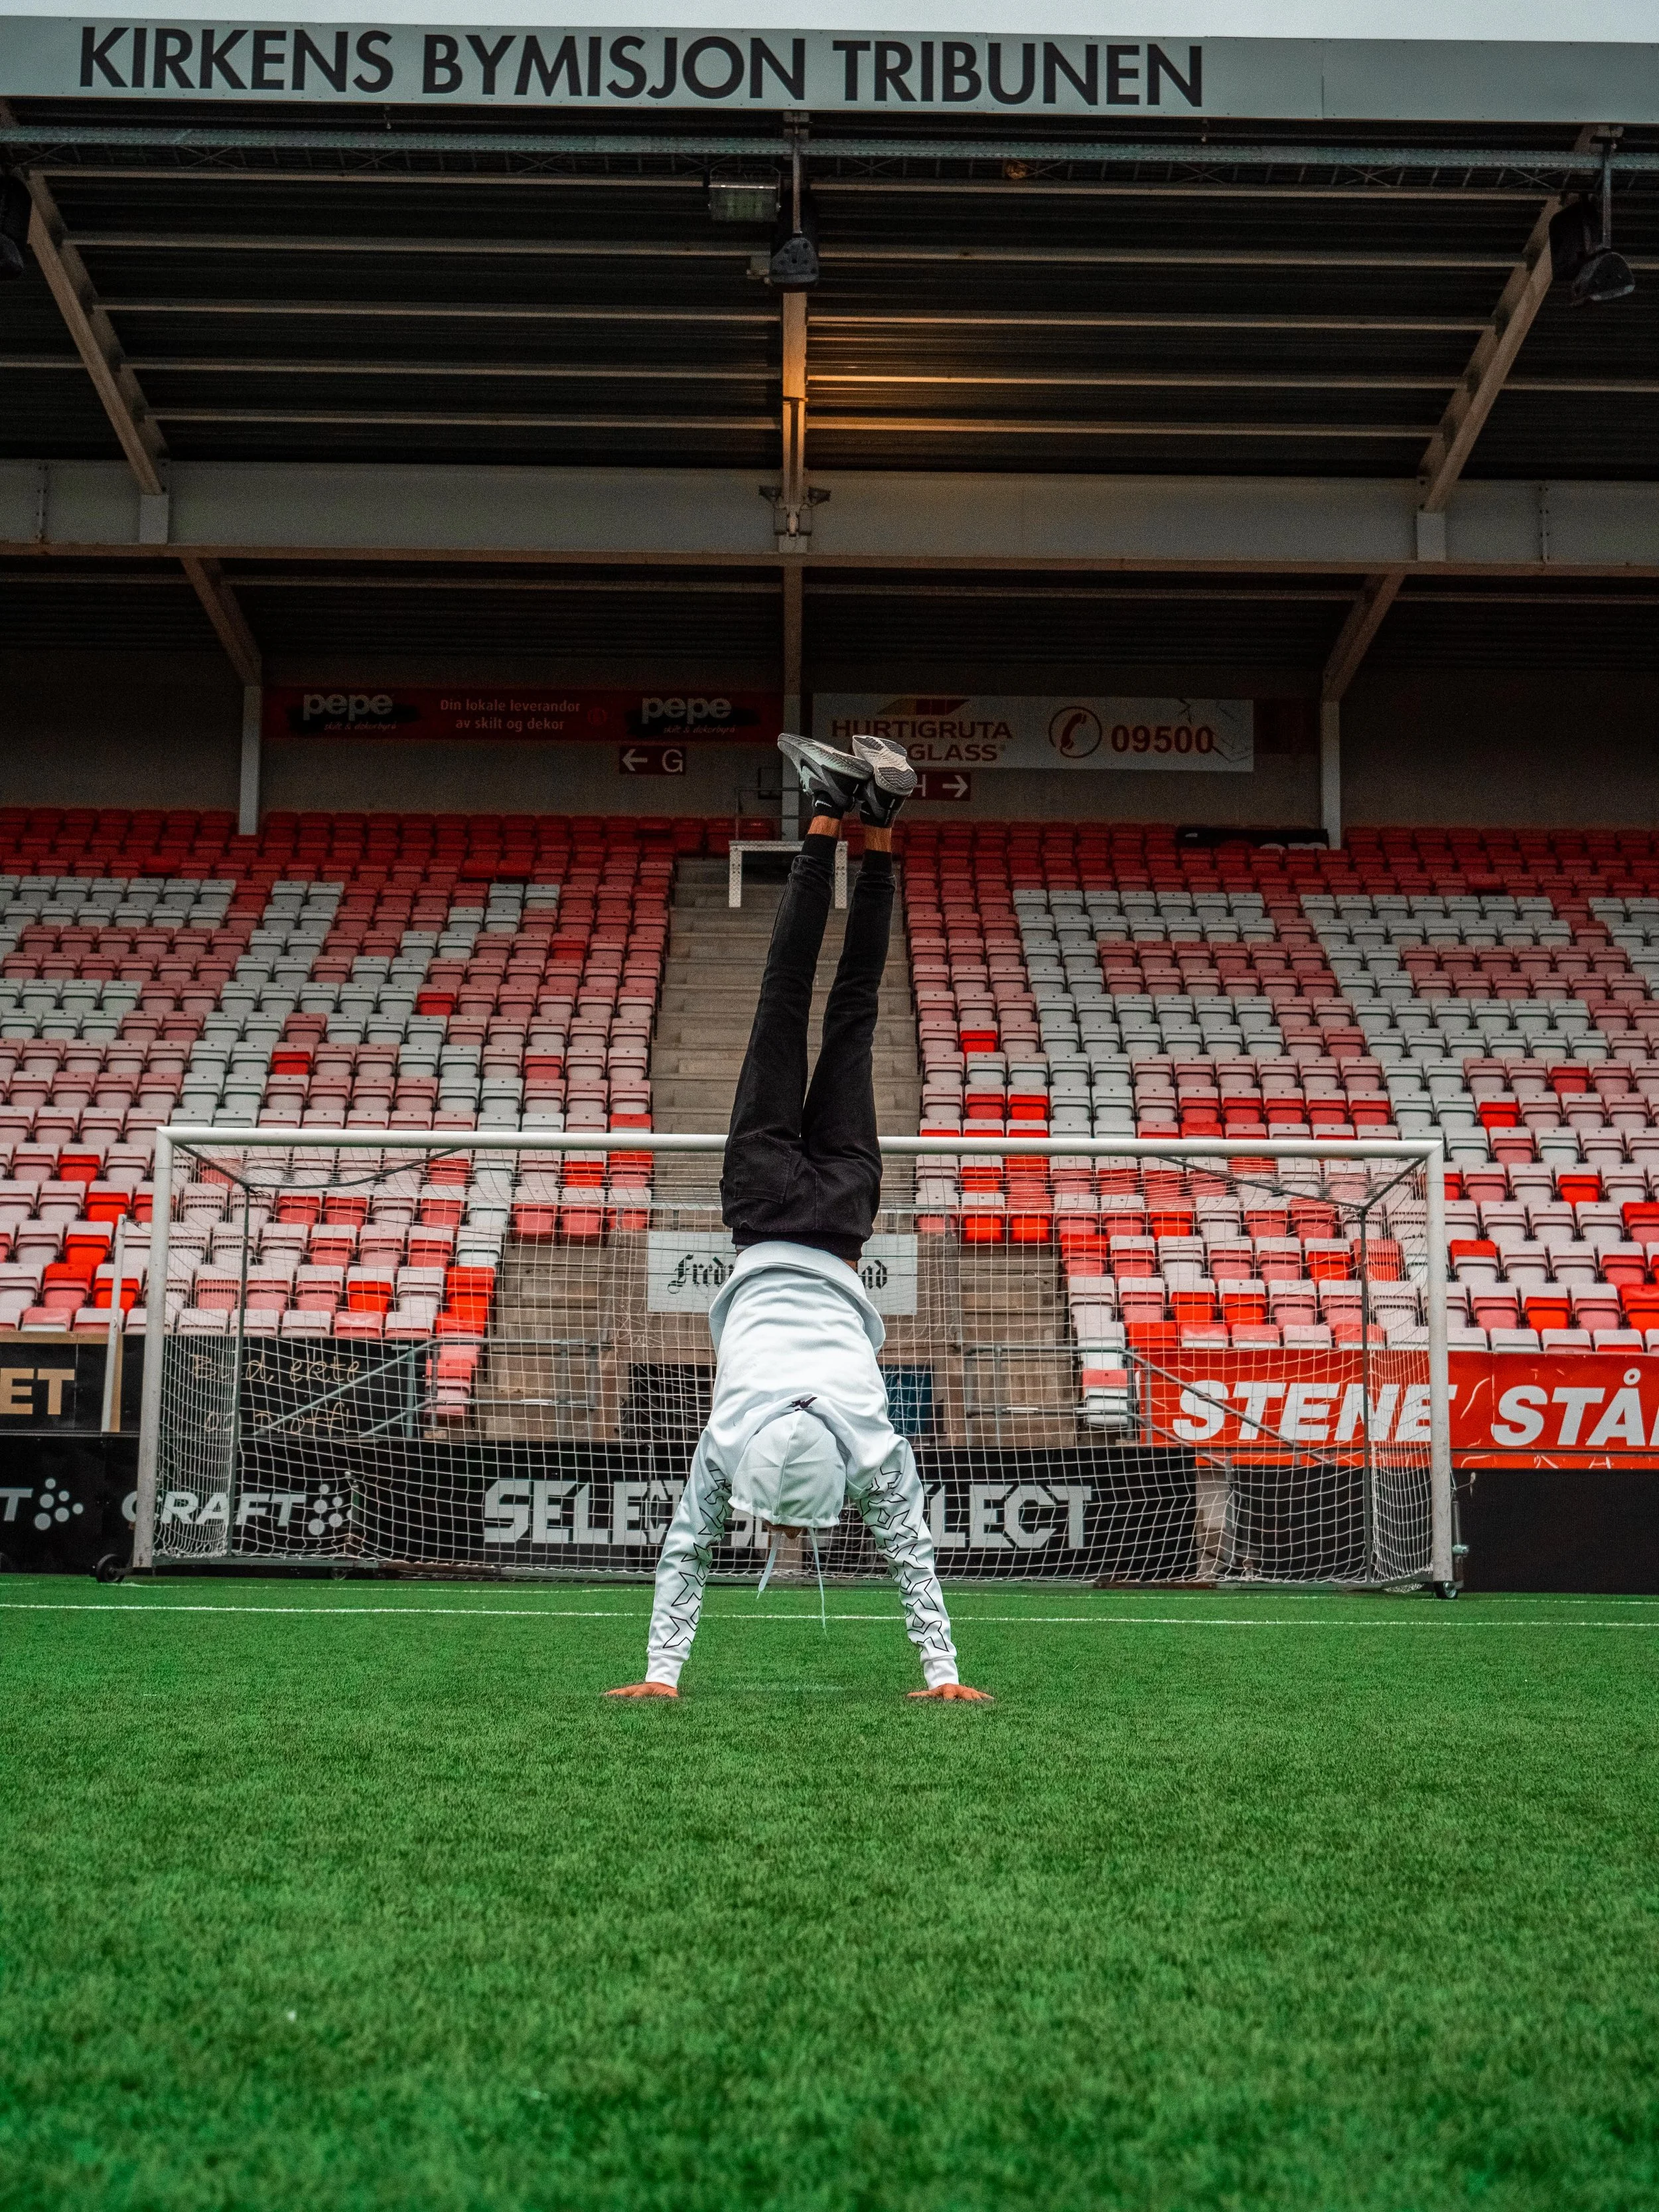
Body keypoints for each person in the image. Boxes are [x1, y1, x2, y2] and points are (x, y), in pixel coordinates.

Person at [608, 733, 991, 1704]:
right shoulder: (738, 1435)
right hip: (765, 1211)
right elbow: (688, 1552)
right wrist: (659, 1675)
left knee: (850, 1012)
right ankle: (831, 817)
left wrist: (945, 1672)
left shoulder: (866, 1441)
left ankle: (882, 824)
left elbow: (911, 1556)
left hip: (845, 1220)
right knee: (788, 1006)